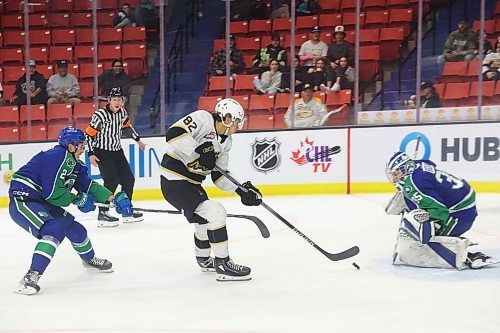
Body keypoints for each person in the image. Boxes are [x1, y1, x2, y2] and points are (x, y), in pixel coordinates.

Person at [8, 126, 133, 295]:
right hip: (24, 200)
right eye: (81, 146)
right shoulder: (56, 157)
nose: (83, 150)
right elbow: (52, 192)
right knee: (53, 230)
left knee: (75, 229)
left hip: (43, 202)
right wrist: (76, 199)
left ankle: (89, 261)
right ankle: (31, 276)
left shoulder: (74, 163)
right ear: (71, 145)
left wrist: (113, 198)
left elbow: (88, 185)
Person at [159, 98, 262, 281]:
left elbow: (219, 175)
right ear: (227, 118)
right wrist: (199, 149)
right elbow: (173, 134)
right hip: (174, 179)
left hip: (192, 183)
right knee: (216, 212)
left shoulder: (226, 142)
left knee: (203, 220)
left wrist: (240, 190)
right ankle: (223, 263)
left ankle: (204, 259)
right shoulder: (202, 119)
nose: (239, 125)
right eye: (237, 121)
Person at [385, 151, 496, 269]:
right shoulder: (418, 166)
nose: (394, 178)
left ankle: (468, 257)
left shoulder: (416, 183)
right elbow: (428, 168)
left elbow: (439, 210)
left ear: (407, 168)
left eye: (396, 174)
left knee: (426, 240)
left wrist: (425, 223)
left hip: (460, 212)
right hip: (462, 199)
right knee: (420, 225)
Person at [85, 87, 146, 227]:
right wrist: (91, 154)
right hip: (102, 152)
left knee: (128, 179)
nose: (117, 102)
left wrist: (139, 141)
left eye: (119, 99)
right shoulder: (100, 115)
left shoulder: (122, 113)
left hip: (117, 151)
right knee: (111, 181)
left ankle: (126, 208)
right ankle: (103, 213)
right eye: (114, 100)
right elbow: (89, 135)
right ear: (109, 101)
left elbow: (128, 128)